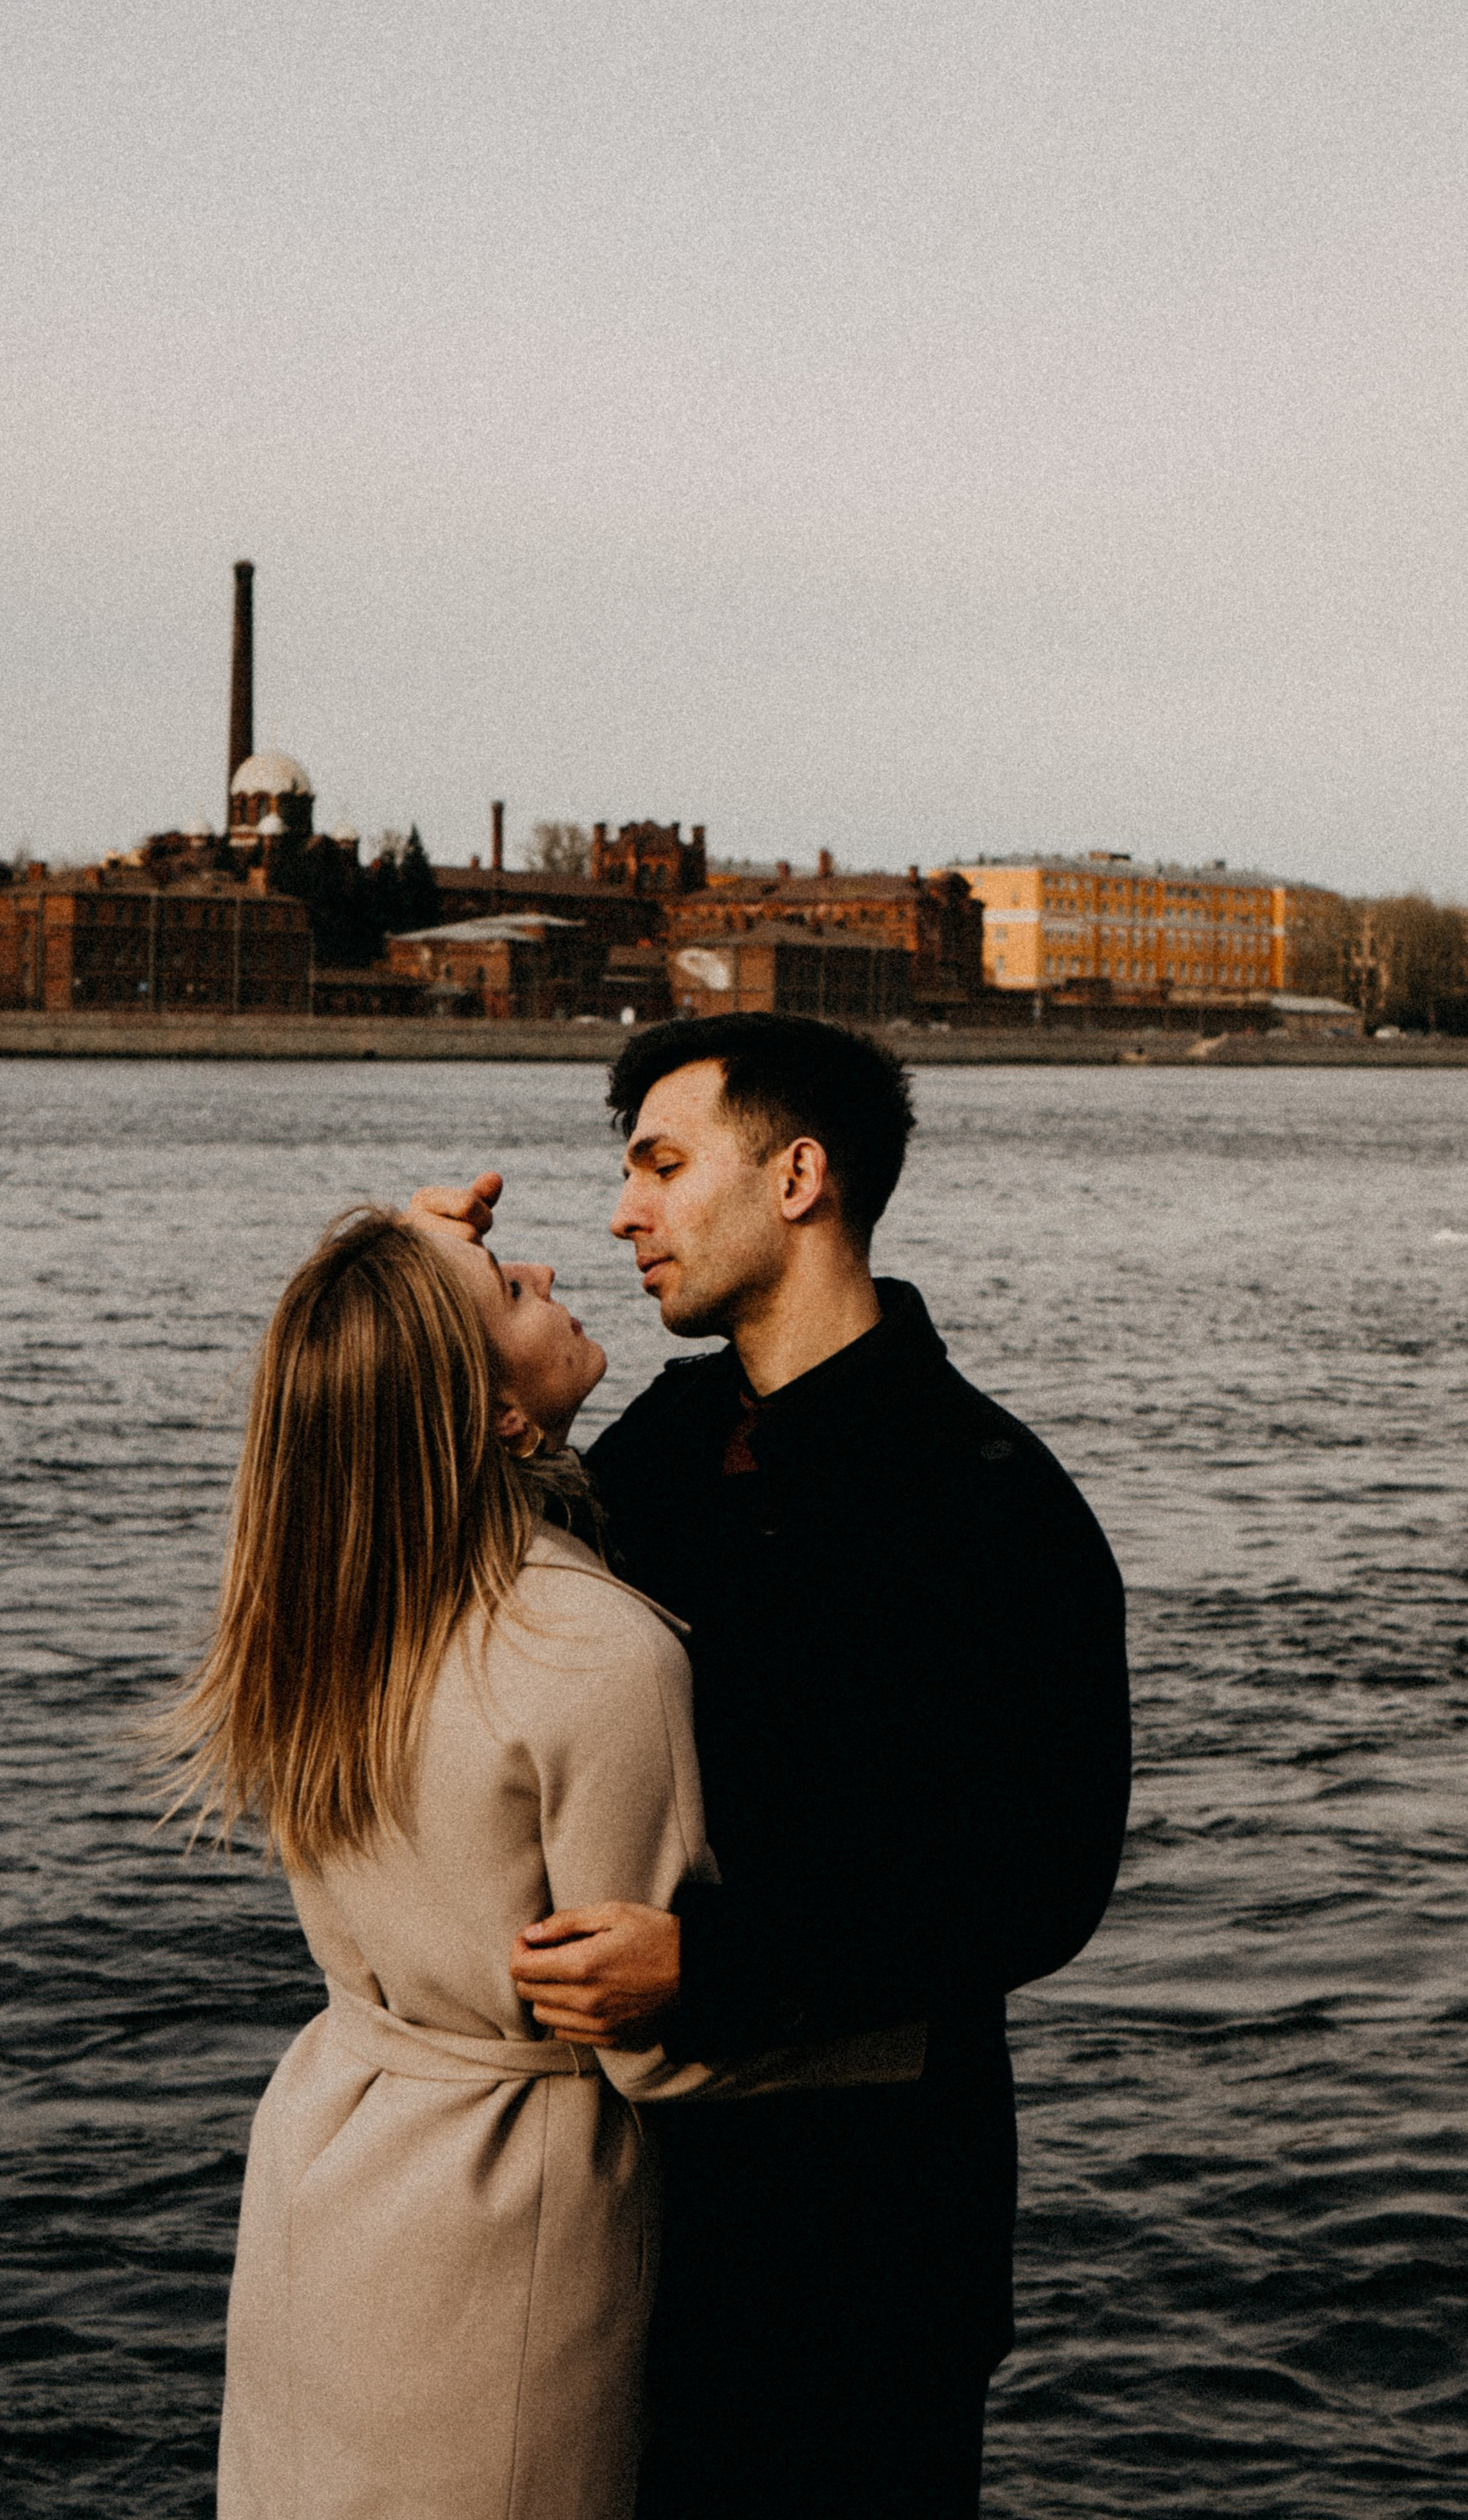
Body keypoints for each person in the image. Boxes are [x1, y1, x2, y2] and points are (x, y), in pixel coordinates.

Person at [412, 1014, 1131, 2520]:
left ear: (798, 1176)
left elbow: (1036, 1882)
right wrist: (422, 1317)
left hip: (866, 2234)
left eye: (663, 1166)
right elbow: (454, 1617)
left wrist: (711, 1965)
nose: (623, 1212)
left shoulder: (991, 1501)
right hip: (625, 2202)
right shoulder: (662, 1446)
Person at [172, 1205, 919, 2520]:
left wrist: (405, 1269)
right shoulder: (592, 1653)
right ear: (505, 1423)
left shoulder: (322, 1595)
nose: (551, 1271)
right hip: (504, 2214)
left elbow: (361, 1384)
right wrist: (899, 2027)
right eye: (513, 1290)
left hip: (327, 2169)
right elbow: (644, 2035)